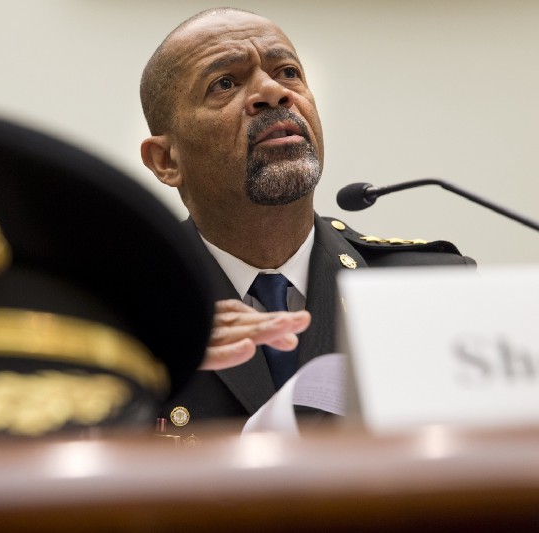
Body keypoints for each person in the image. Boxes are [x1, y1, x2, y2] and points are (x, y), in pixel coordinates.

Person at [139, 7, 476, 435]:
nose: (272, 92)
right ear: (166, 160)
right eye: (225, 83)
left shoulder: (431, 292)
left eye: (288, 72)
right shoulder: (128, 315)